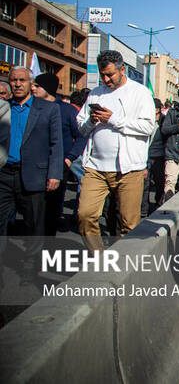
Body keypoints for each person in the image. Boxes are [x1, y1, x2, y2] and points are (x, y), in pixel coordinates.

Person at [76, 50, 156, 253]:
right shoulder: (95, 93)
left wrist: (113, 119)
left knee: (129, 223)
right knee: (85, 215)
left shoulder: (140, 93)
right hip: (95, 167)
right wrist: (91, 120)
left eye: (110, 74)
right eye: (102, 75)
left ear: (122, 70)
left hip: (129, 169)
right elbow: (81, 127)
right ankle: (99, 258)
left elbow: (148, 127)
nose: (106, 79)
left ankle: (125, 263)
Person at [0, 66, 62, 278]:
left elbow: (56, 144)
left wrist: (54, 174)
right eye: (14, 80)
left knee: (33, 225)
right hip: (4, 174)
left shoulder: (48, 109)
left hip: (34, 175)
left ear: (30, 83)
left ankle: (29, 267)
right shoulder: (4, 107)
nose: (17, 84)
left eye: (22, 80)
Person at [32, 73, 80, 235]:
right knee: (33, 207)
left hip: (59, 165)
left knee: (52, 207)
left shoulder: (67, 110)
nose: (33, 88)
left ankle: (48, 240)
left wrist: (70, 158)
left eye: (37, 86)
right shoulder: (31, 107)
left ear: (47, 88)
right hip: (34, 165)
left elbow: (81, 136)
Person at [141, 99, 166, 216]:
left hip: (159, 157)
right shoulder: (145, 121)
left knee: (159, 183)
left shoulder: (164, 121)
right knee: (145, 185)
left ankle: (158, 204)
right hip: (146, 157)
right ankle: (144, 209)